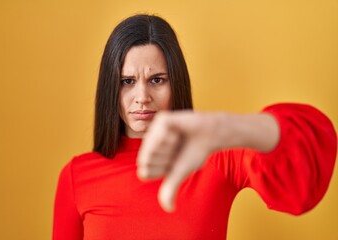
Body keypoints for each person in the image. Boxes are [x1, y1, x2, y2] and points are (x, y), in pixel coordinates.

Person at [52, 14, 337, 240]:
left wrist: (228, 127)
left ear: (177, 83)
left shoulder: (216, 156)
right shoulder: (77, 177)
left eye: (157, 80)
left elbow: (310, 148)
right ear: (109, 87)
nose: (142, 97)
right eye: (127, 81)